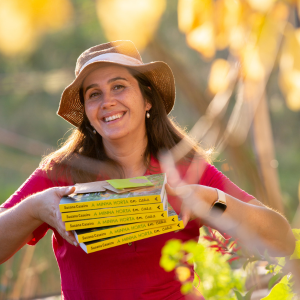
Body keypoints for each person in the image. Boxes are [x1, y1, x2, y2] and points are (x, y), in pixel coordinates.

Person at [0, 40, 295, 300]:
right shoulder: (61, 173)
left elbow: (280, 239)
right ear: (88, 114)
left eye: (119, 86)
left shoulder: (187, 171)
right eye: (94, 94)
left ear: (148, 99)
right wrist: (35, 208)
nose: (107, 101)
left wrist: (208, 199)